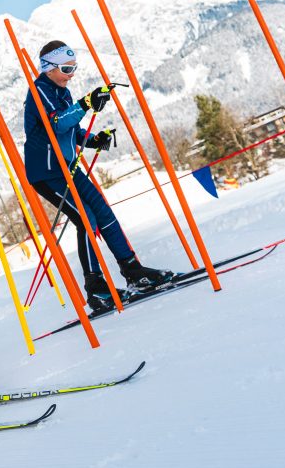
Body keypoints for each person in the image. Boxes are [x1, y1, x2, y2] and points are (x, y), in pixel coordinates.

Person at [23, 40, 174, 314]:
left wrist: (94, 139)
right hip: (47, 172)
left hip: (69, 167)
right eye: (67, 69)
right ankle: (96, 289)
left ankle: (133, 270)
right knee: (86, 219)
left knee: (103, 213)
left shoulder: (62, 92)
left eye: (74, 68)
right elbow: (56, 122)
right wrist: (86, 103)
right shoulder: (39, 91)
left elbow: (73, 130)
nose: (72, 74)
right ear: (48, 68)